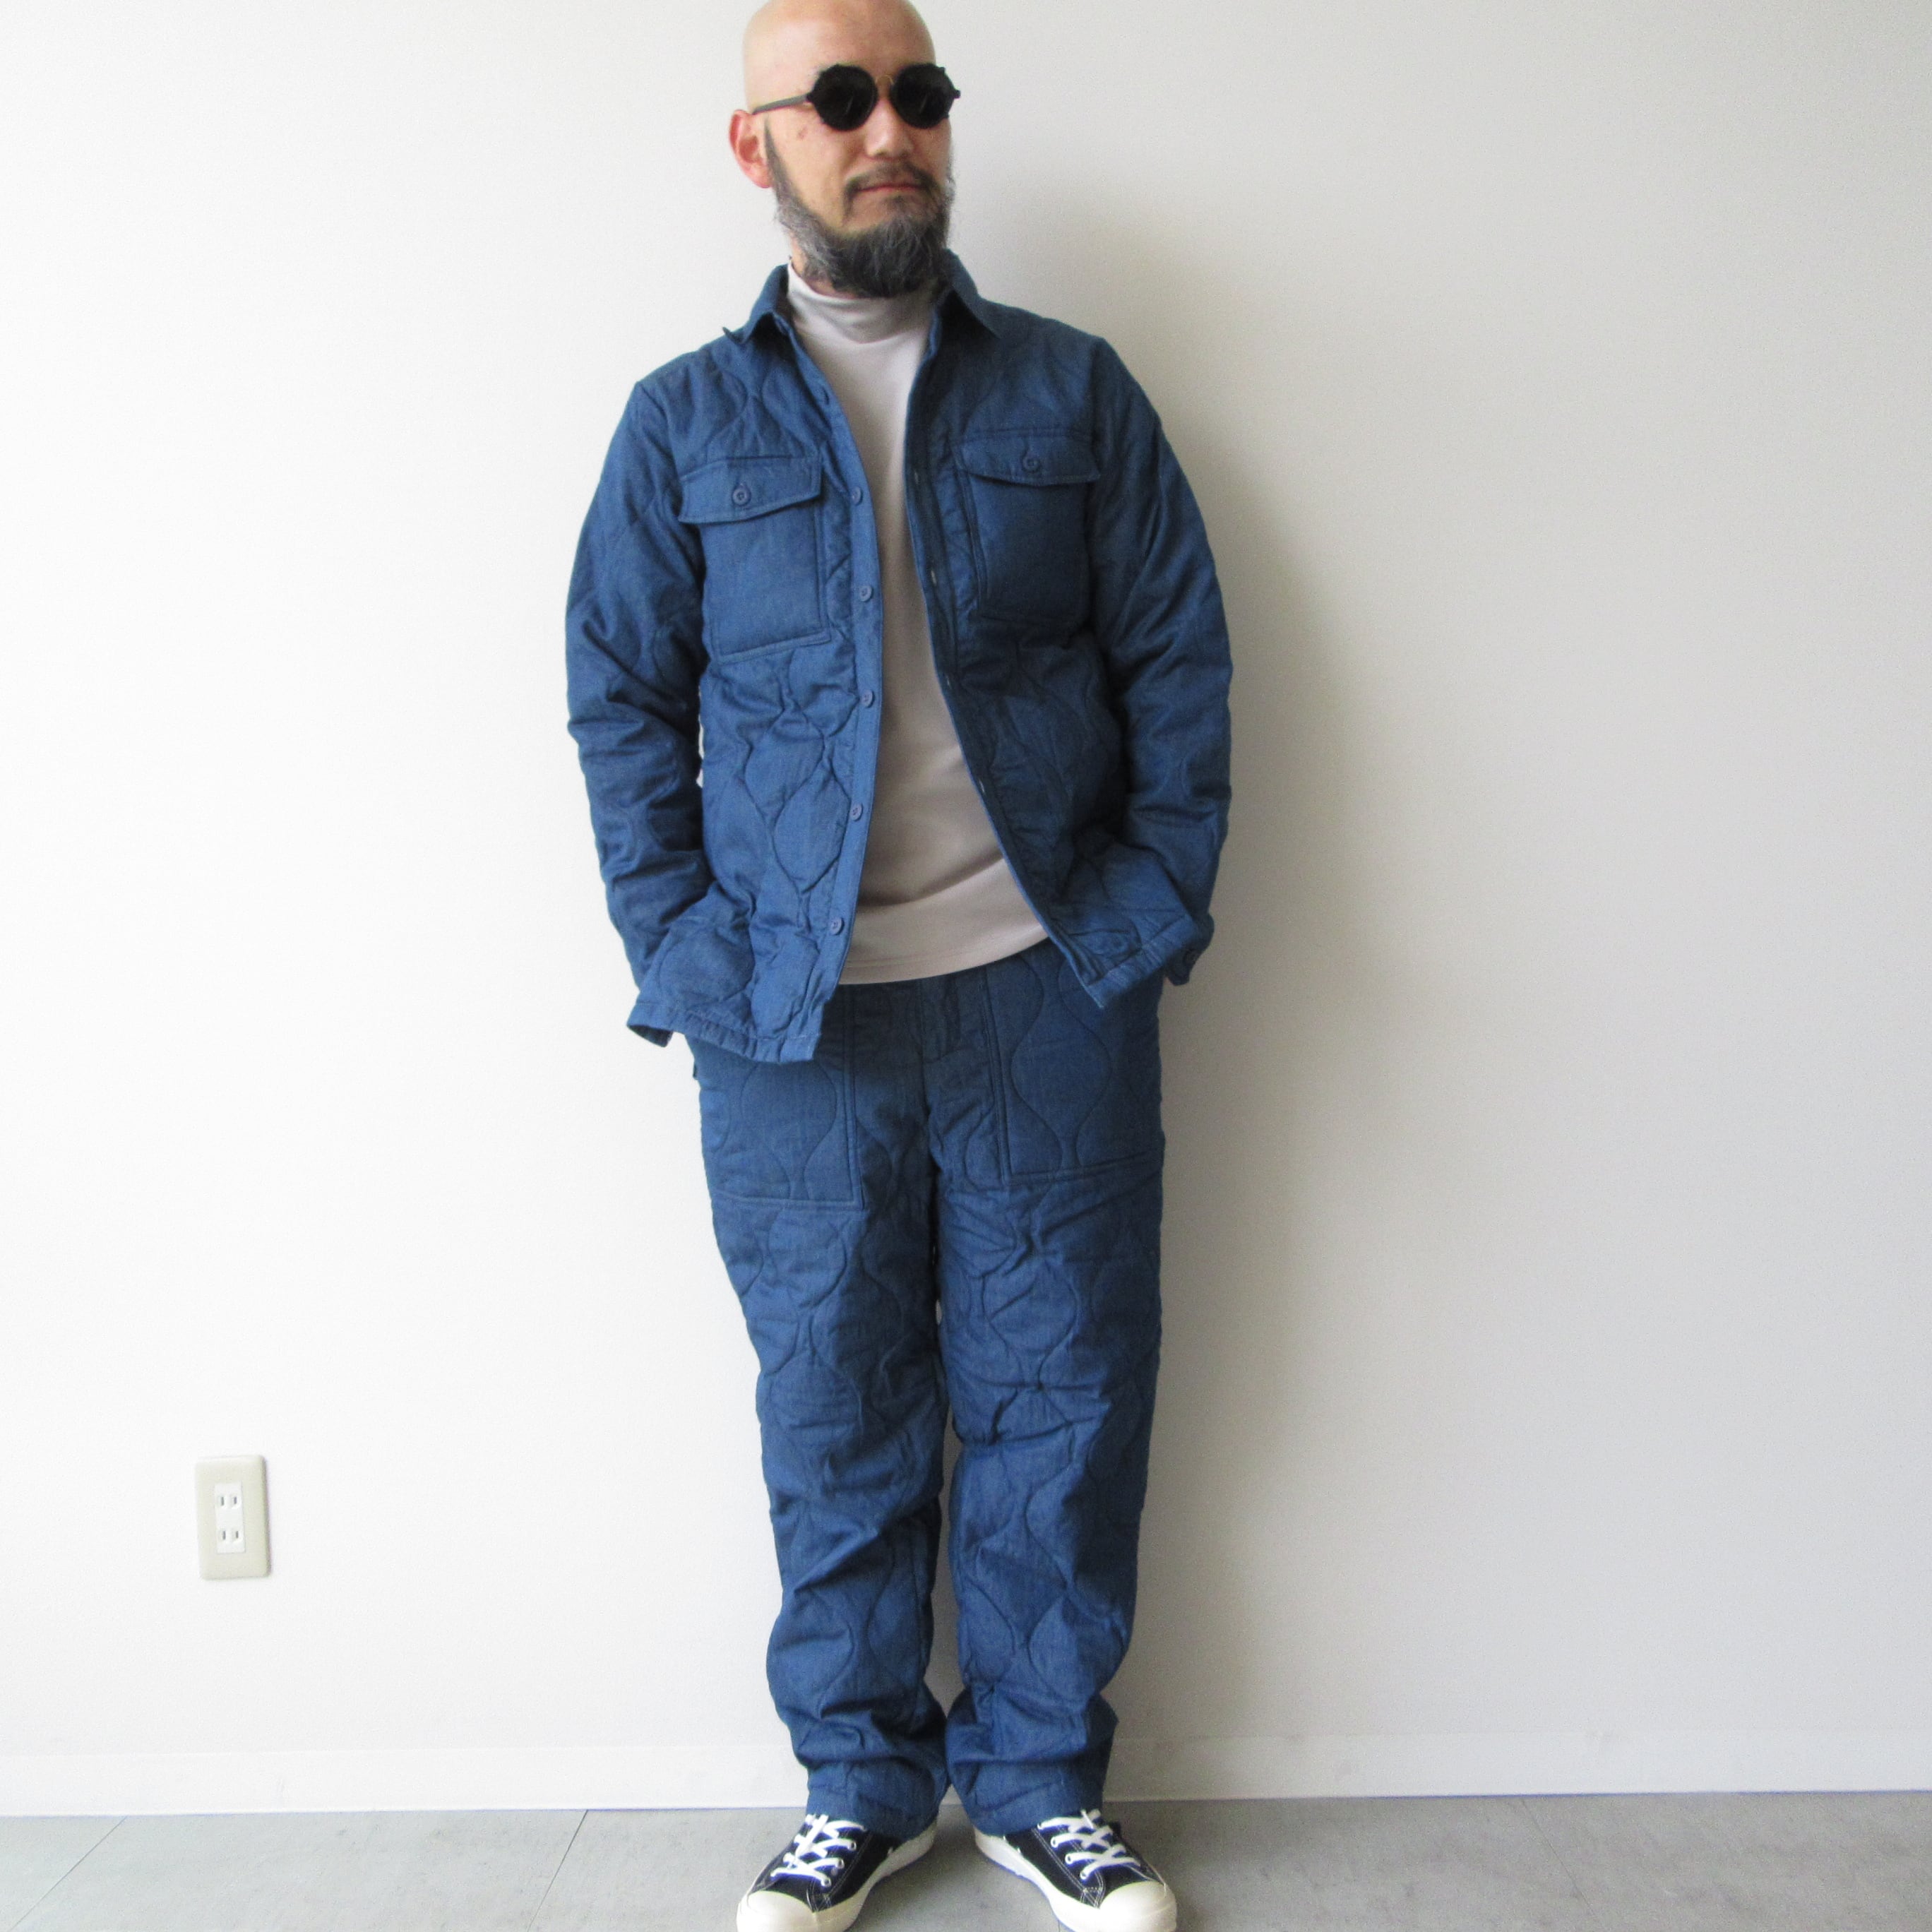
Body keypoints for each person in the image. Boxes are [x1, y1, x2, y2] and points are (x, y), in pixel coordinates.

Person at [565, 1, 1231, 1924]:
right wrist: (688, 949)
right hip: (795, 1025)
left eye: (919, 95)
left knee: (1065, 1397)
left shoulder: (1075, 396)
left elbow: (1178, 659)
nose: (890, 133)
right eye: (842, 99)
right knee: (832, 1409)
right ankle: (861, 1784)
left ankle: (1037, 1783)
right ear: (757, 144)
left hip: (1050, 989)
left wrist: (1145, 913)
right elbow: (621, 700)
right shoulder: (682, 423)